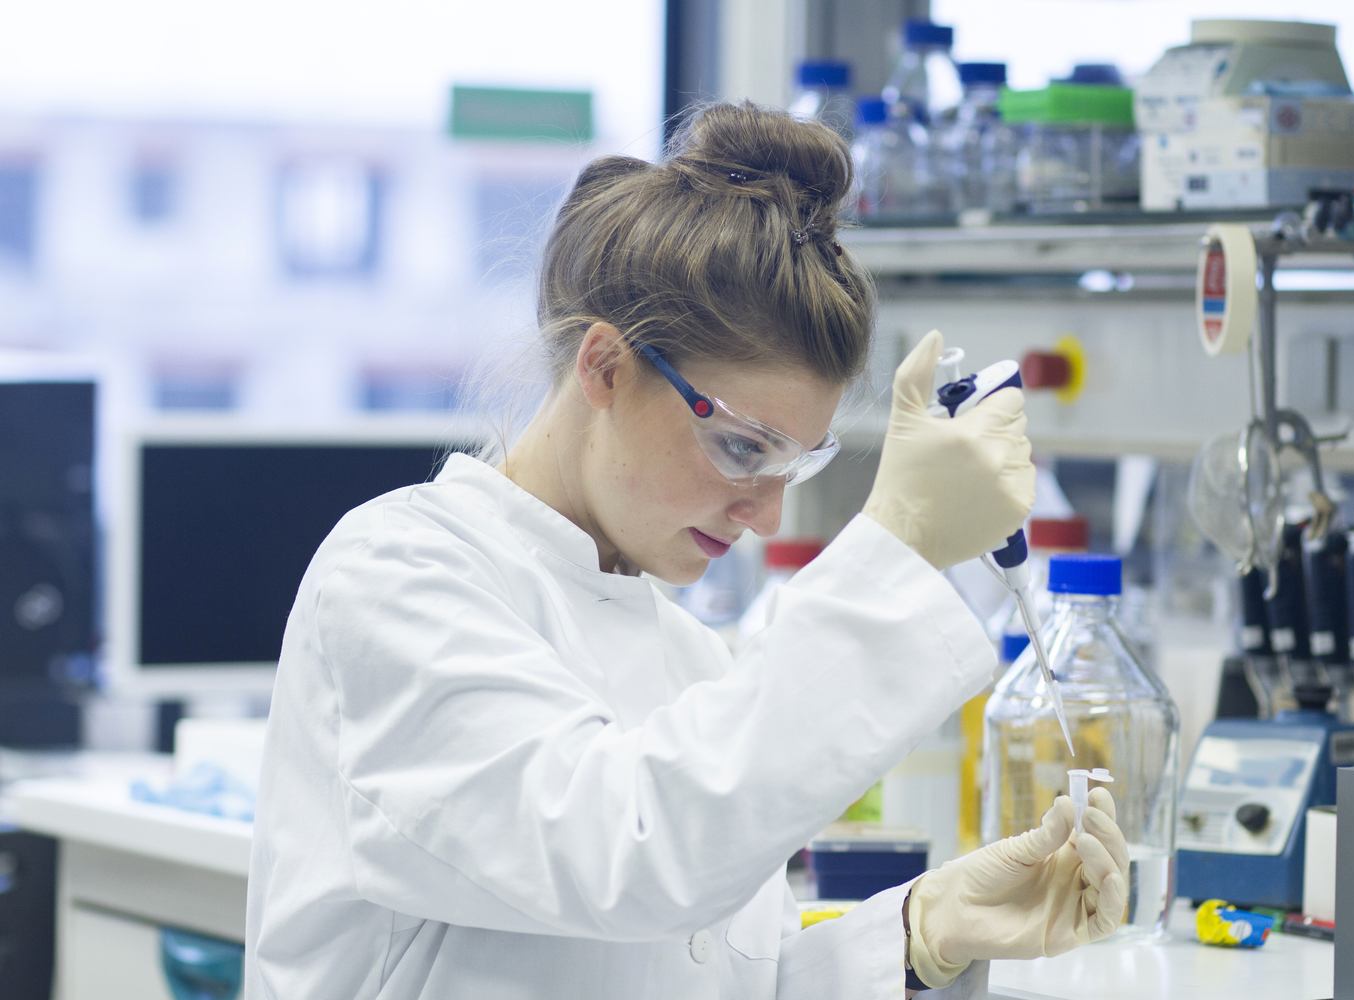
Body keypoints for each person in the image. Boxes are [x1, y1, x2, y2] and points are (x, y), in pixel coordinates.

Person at [245, 101, 1127, 1000]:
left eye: (798, 463)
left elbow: (715, 974)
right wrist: (899, 539)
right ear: (605, 367)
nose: (768, 516)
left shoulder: (693, 661)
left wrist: (918, 938)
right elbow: (624, 854)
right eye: (744, 448)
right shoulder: (398, 575)